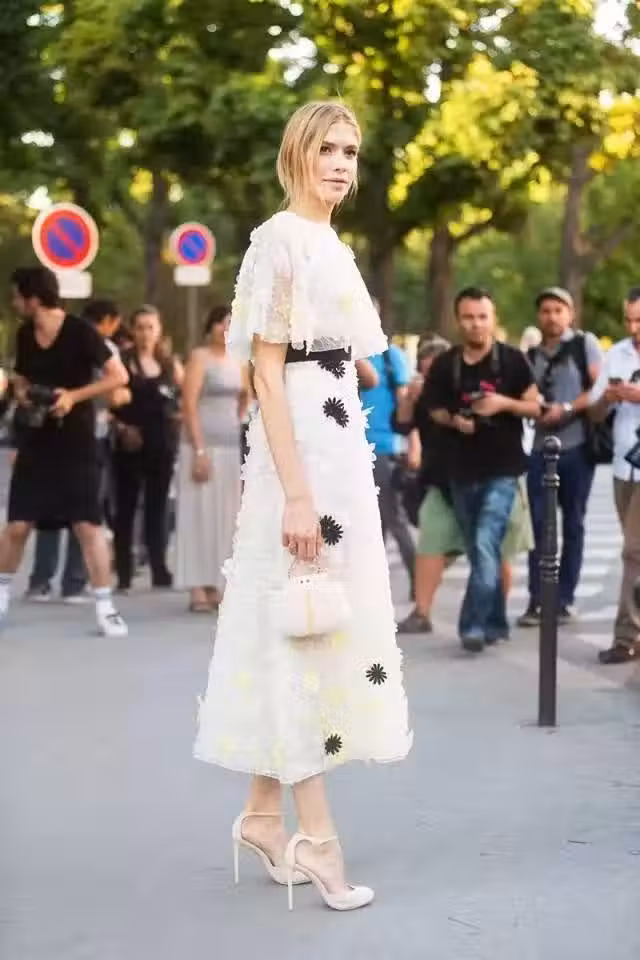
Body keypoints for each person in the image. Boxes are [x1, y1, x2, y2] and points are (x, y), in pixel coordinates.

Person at [194, 101, 412, 911]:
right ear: (297, 154)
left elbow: (349, 358)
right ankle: (317, 837)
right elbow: (265, 371)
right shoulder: (278, 239)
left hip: (339, 451)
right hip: (304, 466)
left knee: (309, 621)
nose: (342, 163)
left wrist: (344, 374)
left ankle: (262, 816)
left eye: (351, 151)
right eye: (328, 148)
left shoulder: (331, 244)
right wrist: (296, 496)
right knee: (304, 632)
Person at [0, 266, 129, 636]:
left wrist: (72, 396)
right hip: (36, 440)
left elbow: (118, 376)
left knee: (87, 525)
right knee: (17, 525)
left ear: (33, 298)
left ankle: (106, 607)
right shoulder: (25, 334)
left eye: (17, 296)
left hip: (76, 443)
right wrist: (24, 392)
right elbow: (22, 376)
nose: (14, 303)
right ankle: (1, 595)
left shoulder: (81, 332)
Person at [423, 286, 540, 652]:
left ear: (493, 319)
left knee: (485, 542)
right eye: (468, 317)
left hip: (504, 469)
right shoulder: (447, 363)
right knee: (480, 553)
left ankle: (471, 626)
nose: (476, 324)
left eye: (482, 317)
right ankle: (496, 621)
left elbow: (535, 407)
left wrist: (501, 404)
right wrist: (456, 420)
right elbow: (433, 408)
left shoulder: (513, 360)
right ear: (458, 321)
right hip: (461, 469)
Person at [396, 338, 533, 634]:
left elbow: (527, 408)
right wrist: (409, 398)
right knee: (432, 542)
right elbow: (403, 425)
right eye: (425, 372)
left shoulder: (472, 385)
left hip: (493, 474)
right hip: (441, 479)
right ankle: (422, 612)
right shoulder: (426, 396)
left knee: (495, 548)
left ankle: (490, 616)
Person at [518, 287, 602, 627]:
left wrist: (567, 408)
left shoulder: (584, 345)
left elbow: (597, 388)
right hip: (540, 449)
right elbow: (524, 395)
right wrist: (537, 408)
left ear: (570, 314)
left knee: (573, 524)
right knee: (538, 525)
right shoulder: (531, 354)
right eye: (546, 311)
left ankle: (565, 599)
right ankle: (537, 599)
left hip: (577, 447)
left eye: (558, 310)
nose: (552, 316)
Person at [175, 305, 249, 612]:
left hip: (230, 446)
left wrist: (239, 417)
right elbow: (189, 405)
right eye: (220, 322)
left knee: (225, 518)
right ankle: (196, 585)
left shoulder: (241, 360)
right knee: (197, 514)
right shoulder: (199, 357)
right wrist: (199, 450)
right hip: (200, 446)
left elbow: (247, 394)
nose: (224, 328)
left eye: (230, 323)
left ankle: (216, 583)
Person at [112, 306, 182, 591]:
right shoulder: (122, 361)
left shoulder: (168, 363)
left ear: (159, 330)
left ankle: (159, 567)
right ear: (132, 330)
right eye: (140, 327)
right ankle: (124, 572)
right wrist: (121, 427)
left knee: (158, 507)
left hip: (162, 442)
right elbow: (108, 402)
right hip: (130, 442)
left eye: (150, 327)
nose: (145, 333)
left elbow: (183, 395)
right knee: (126, 509)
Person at [589, 288, 640, 664]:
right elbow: (593, 413)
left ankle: (626, 635)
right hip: (624, 466)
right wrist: (608, 398)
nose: (634, 328)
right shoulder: (617, 354)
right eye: (629, 320)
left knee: (633, 552)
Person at [359, 307, 415, 596]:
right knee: (368, 523)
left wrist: (413, 444)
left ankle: (419, 582)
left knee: (393, 516)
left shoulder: (390, 357)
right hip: (350, 447)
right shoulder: (341, 353)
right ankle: (373, 587)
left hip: (383, 446)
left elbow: (406, 406)